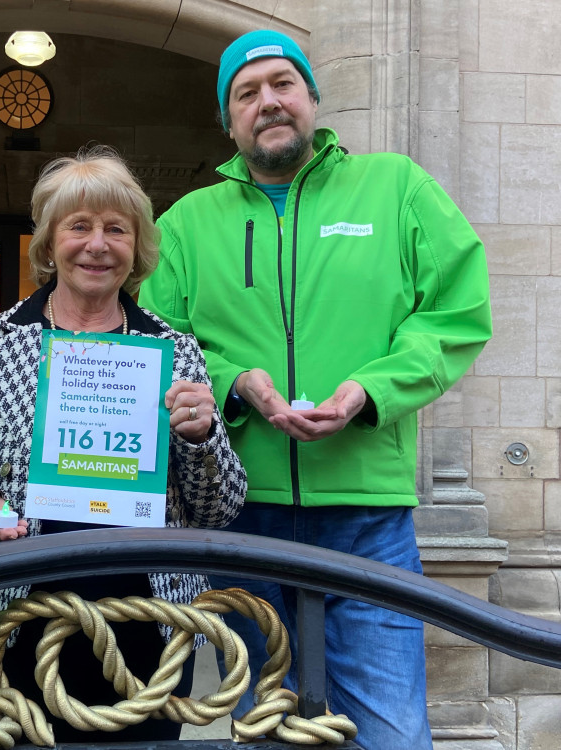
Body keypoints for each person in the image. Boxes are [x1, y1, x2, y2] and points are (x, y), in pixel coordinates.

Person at [137, 29, 493, 750]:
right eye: (247, 93)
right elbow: (155, 342)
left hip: (368, 522)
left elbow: (458, 314)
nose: (267, 102)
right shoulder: (182, 225)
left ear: (312, 98)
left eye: (281, 84)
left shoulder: (399, 187)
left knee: (393, 734)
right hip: (243, 520)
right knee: (268, 731)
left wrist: (369, 391)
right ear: (229, 120)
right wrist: (236, 383)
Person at [0, 146, 247, 743]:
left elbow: (219, 509)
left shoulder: (176, 351)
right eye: (79, 227)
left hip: (148, 621)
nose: (97, 245)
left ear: (137, 248)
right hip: (19, 614)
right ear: (48, 244)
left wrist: (202, 439)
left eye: (116, 229)